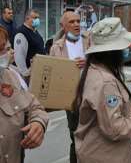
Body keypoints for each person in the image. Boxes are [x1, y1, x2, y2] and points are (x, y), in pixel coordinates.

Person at [73, 17, 131, 163]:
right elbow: (116, 128)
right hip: (105, 155)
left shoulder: (95, 70)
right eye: (122, 46)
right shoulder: (106, 82)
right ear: (112, 51)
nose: (126, 49)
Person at [0, 26, 48, 163]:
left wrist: (38, 123)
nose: (10, 52)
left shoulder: (11, 75)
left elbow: (35, 107)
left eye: (8, 47)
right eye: (2, 49)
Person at [49, 11, 90, 163]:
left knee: (93, 135)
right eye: (72, 22)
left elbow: (101, 63)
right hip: (71, 99)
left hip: (92, 93)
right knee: (76, 136)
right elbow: (53, 74)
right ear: (63, 26)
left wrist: (88, 62)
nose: (77, 24)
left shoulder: (89, 40)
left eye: (78, 21)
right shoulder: (56, 48)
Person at [13, 9, 45, 80]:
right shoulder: (21, 33)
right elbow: (19, 55)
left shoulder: (35, 32)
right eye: (35, 18)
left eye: (38, 18)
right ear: (27, 18)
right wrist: (25, 74)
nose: (38, 20)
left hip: (37, 72)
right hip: (29, 74)